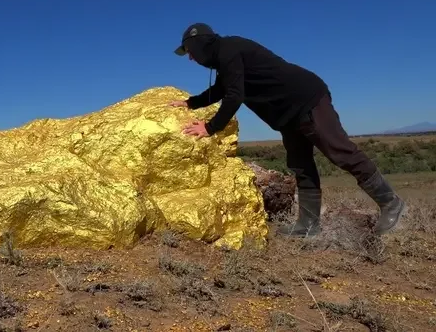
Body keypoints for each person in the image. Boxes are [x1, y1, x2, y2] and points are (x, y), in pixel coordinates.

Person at [169, 22, 405, 237]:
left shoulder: (229, 50)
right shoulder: (225, 60)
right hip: (287, 115)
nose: (190, 59)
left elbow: (234, 96)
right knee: (300, 164)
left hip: (306, 100)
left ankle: (390, 202)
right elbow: (220, 90)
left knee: (340, 151)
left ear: (197, 44)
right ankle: (308, 224)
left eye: (189, 52)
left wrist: (210, 128)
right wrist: (190, 103)